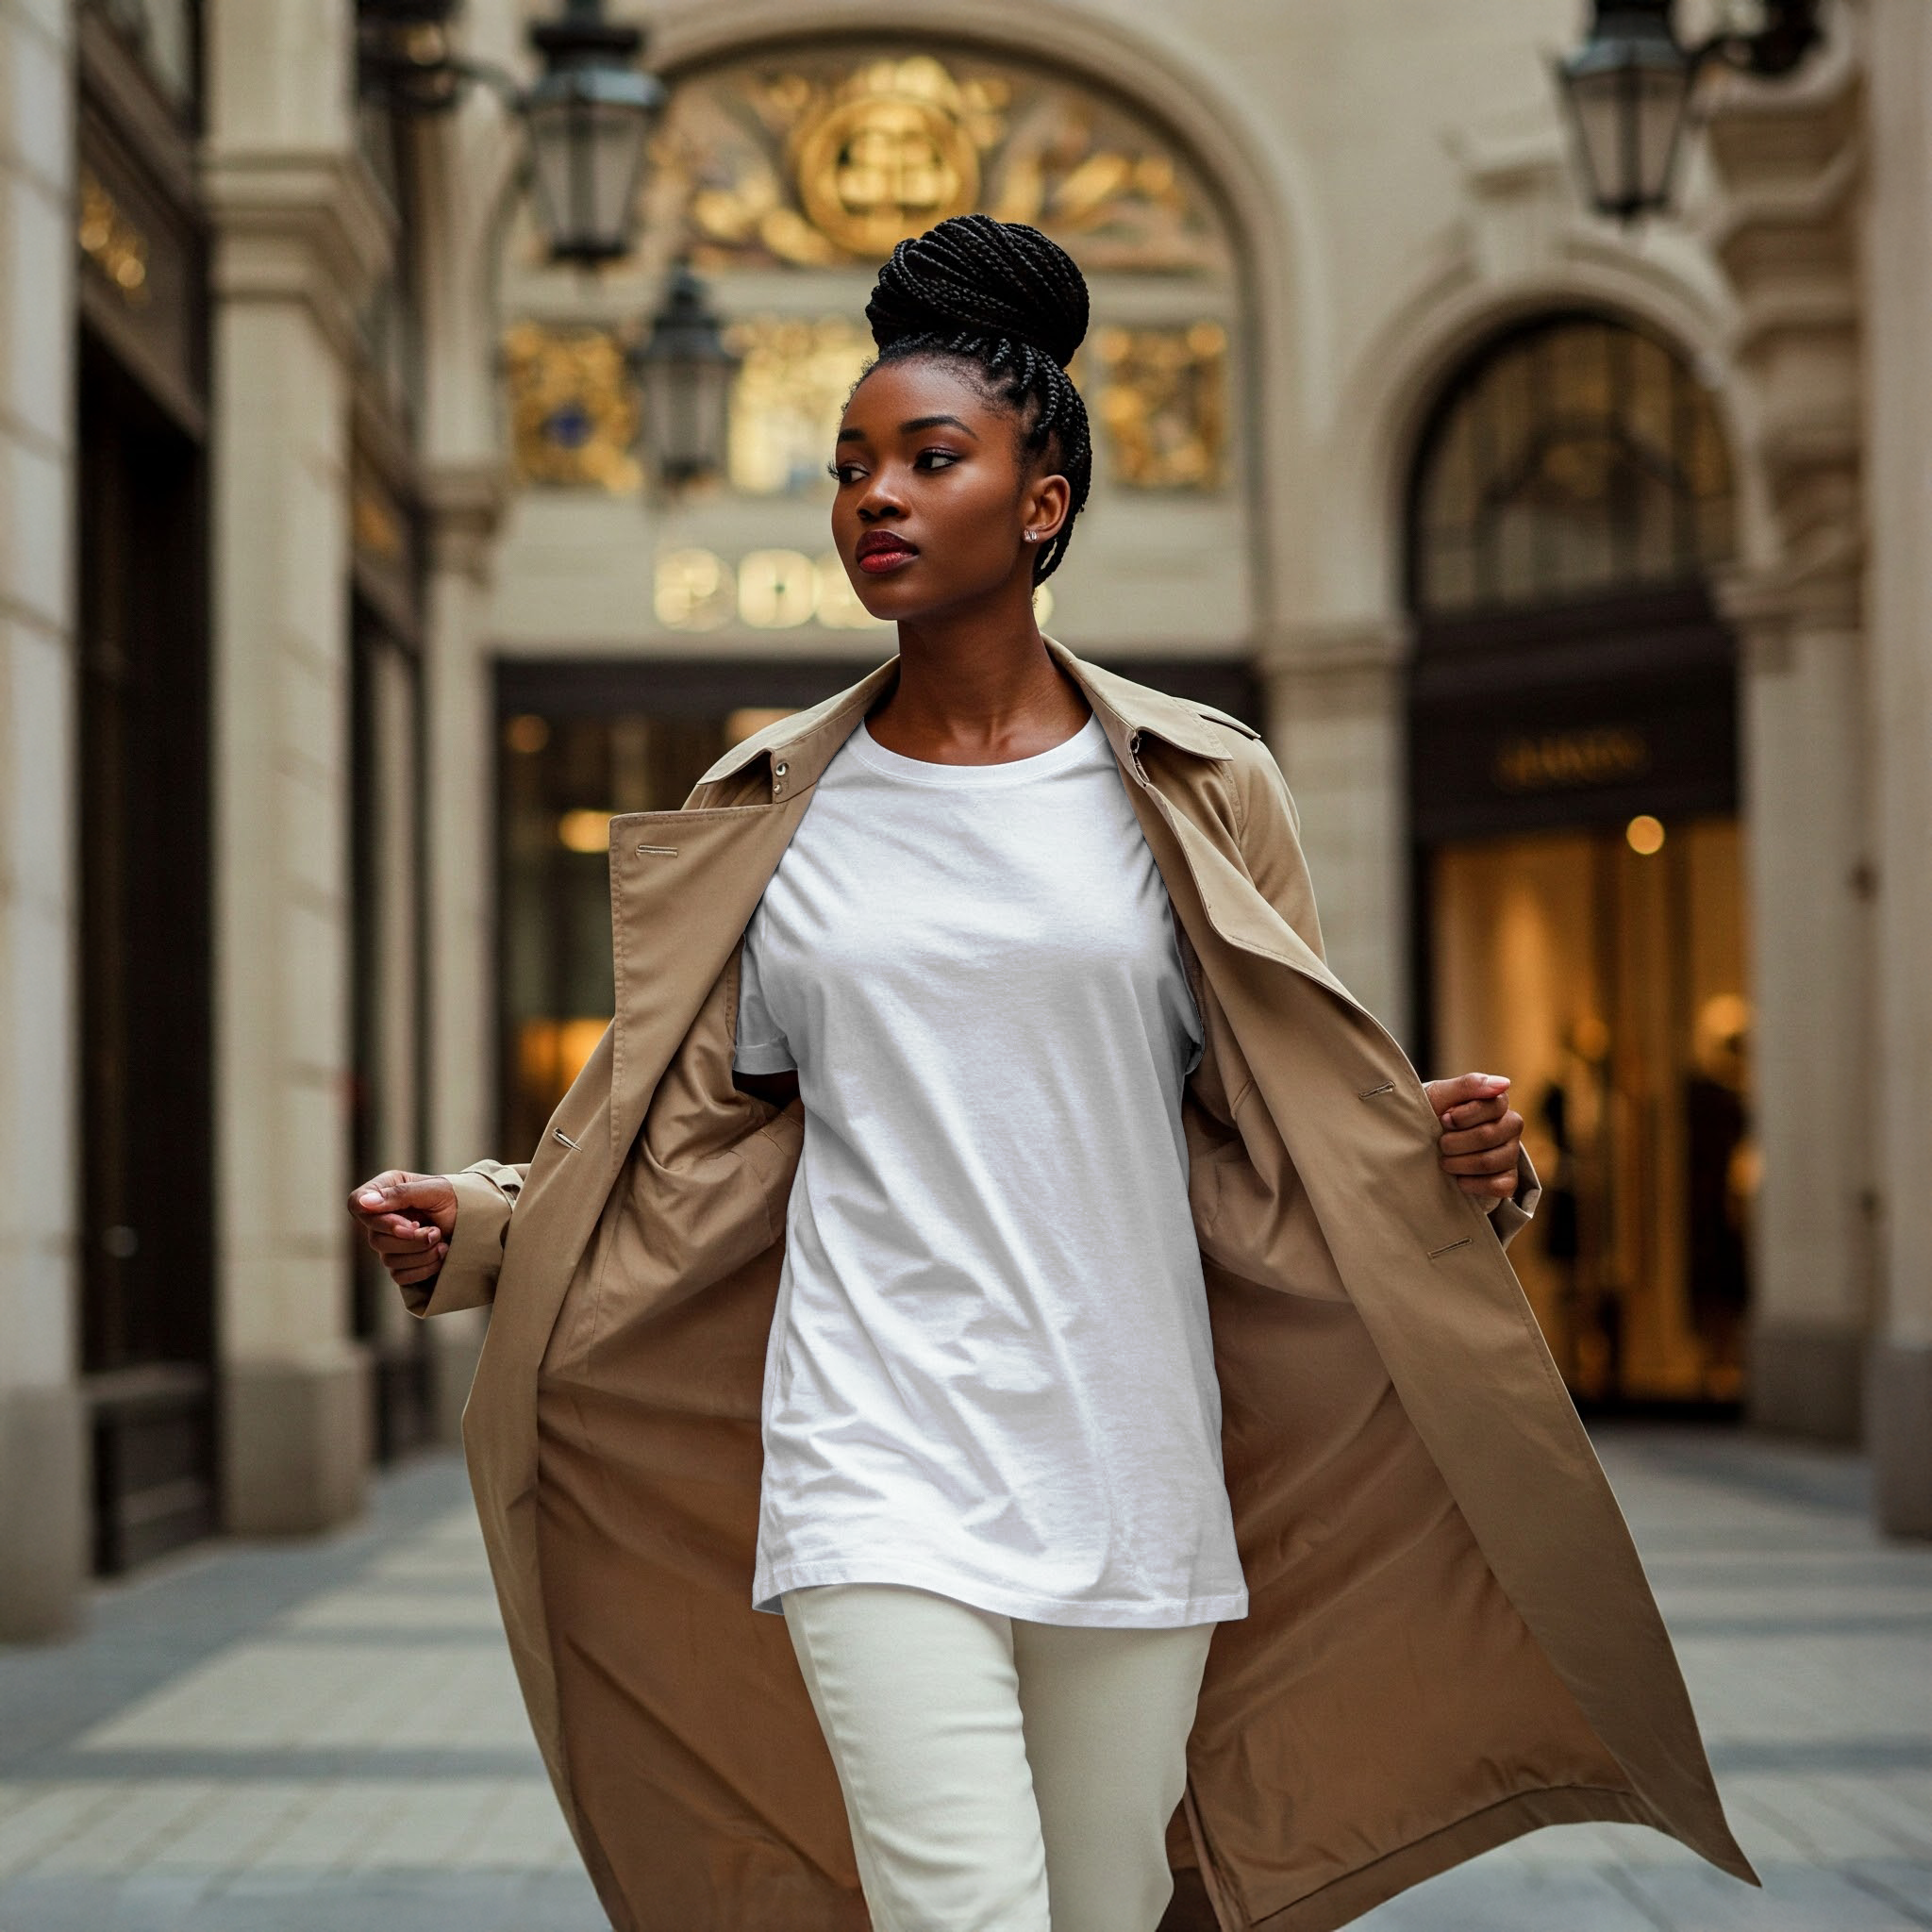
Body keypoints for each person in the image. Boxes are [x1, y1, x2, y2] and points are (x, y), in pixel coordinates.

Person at [349, 218, 1750, 1932]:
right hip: (863, 1440)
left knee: (1100, 1909)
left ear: (1042, 502)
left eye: (930, 458)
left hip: (1132, 1448)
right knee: (967, 1909)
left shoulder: (1198, 783)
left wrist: (1461, 1168)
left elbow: (1286, 1112)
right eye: (853, 462)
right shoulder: (765, 808)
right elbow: (665, 1129)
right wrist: (484, 1228)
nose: (875, 494)